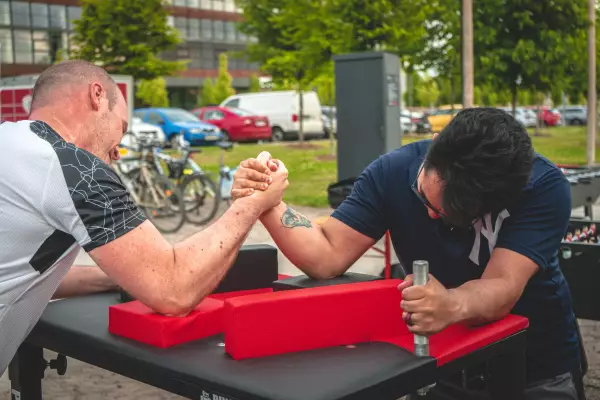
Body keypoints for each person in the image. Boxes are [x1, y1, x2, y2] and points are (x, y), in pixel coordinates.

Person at [231, 107, 584, 400]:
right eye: (423, 198)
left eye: (449, 215)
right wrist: (265, 201)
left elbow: (503, 285)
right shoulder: (391, 171)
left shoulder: (542, 186)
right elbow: (326, 254)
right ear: (433, 148)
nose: (431, 216)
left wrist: (450, 304)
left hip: (534, 371)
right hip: (441, 364)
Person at [0, 60, 288, 375]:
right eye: (121, 128)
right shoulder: (71, 167)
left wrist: (121, 276)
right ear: (97, 96)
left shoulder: (11, 142)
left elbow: (20, 269)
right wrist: (252, 204)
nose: (117, 152)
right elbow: (173, 290)